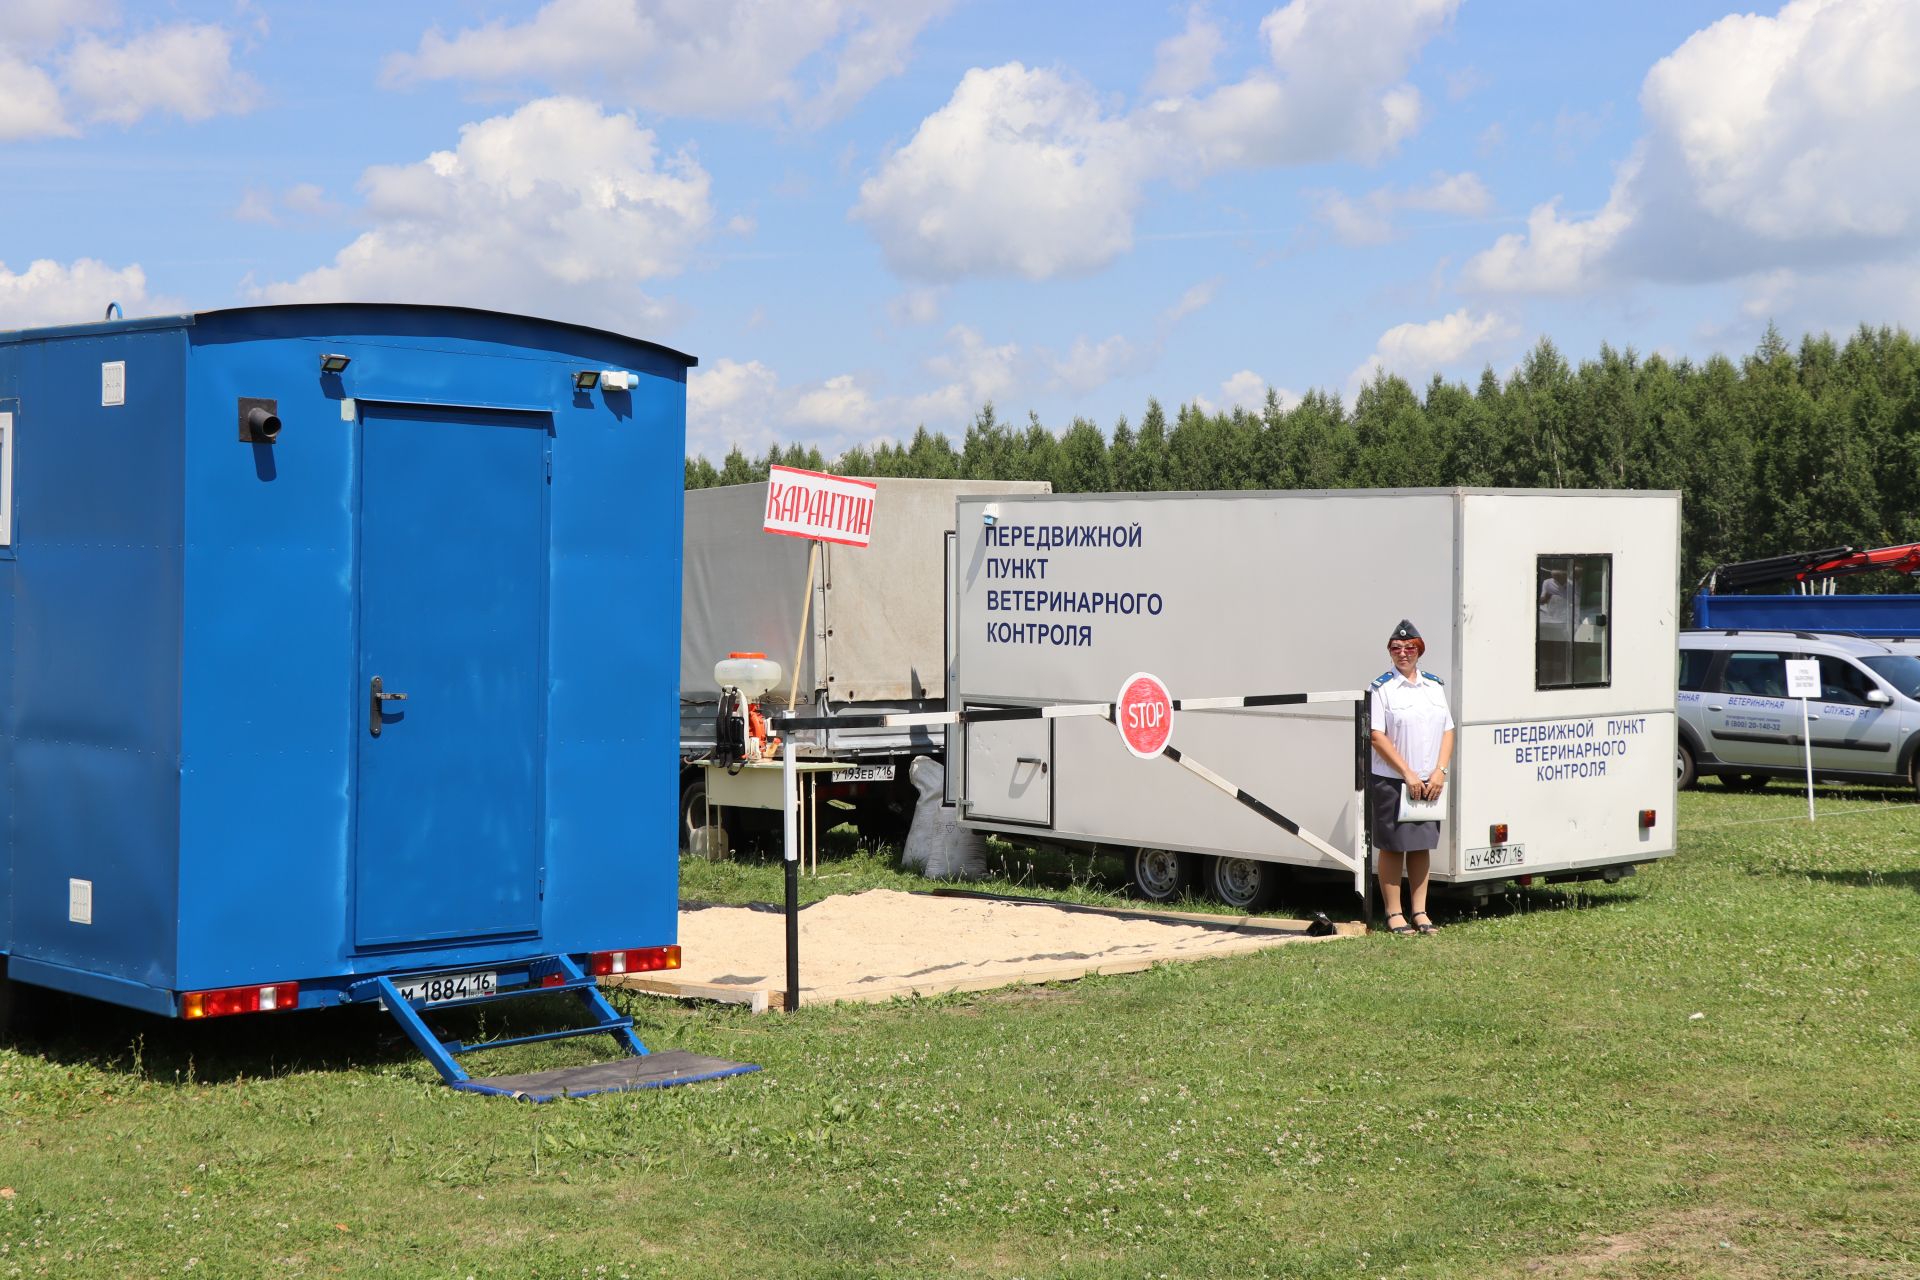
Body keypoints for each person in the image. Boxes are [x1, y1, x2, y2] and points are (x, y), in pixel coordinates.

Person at [1368, 619, 1454, 936]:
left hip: (1429, 781)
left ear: (1419, 650)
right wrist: (1407, 773)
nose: (1402, 653)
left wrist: (1440, 771)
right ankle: (1394, 913)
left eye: (1409, 648)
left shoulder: (1434, 686)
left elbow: (1448, 730)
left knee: (1420, 846)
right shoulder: (1382, 689)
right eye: (1396, 648)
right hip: (1393, 779)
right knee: (1393, 846)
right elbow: (1376, 736)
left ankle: (1420, 912)